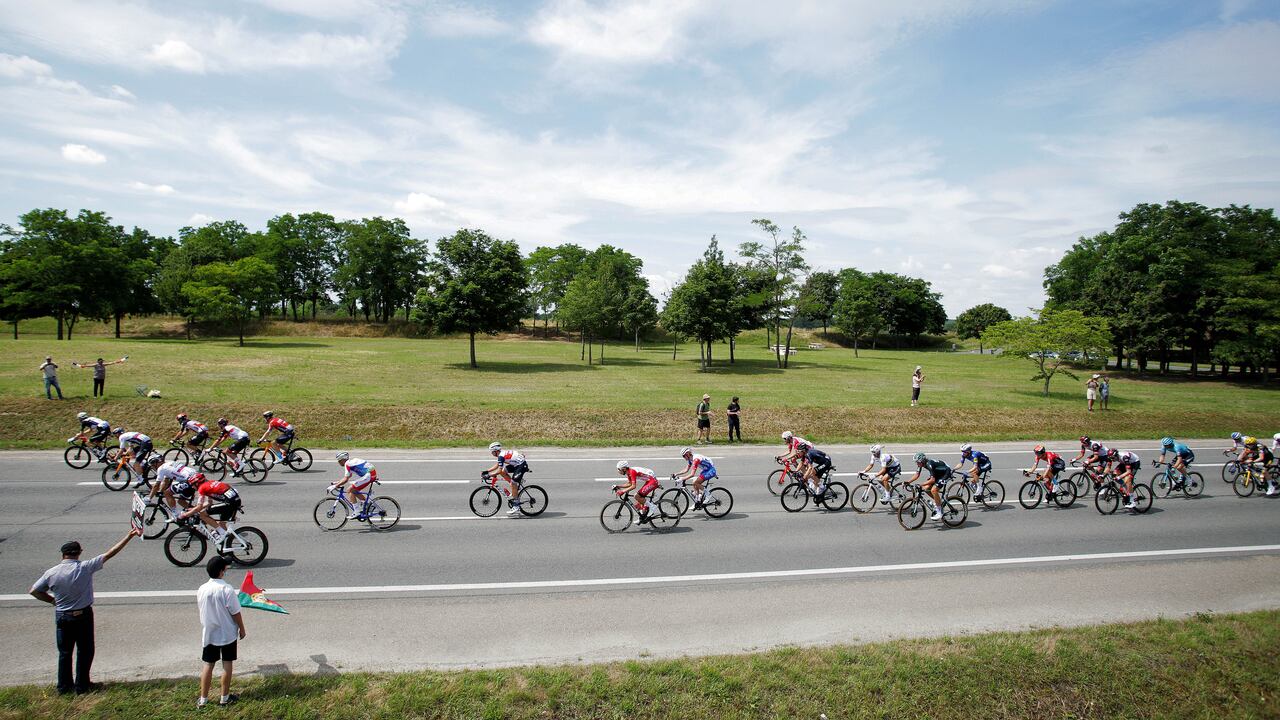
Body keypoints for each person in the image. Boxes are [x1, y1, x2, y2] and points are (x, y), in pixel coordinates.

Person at [28, 528, 142, 694]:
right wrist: (129, 536)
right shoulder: (85, 568)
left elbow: (34, 591)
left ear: (63, 554)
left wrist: (53, 601)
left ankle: (64, 687)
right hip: (83, 615)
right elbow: (110, 553)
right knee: (85, 650)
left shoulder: (51, 573)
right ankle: (82, 686)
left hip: (62, 615)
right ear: (79, 553)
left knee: (65, 653)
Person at [197, 556, 245, 708]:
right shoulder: (226, 589)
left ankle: (203, 699)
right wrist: (242, 629)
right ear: (221, 571)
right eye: (225, 567)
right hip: (227, 633)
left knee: (208, 664)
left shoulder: (202, 589)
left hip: (210, 633)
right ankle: (224, 698)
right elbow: (235, 612)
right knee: (227, 663)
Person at [484, 442, 530, 515]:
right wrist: (487, 471)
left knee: (513, 483)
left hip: (521, 465)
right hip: (516, 464)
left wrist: (489, 475)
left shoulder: (501, 456)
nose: (492, 454)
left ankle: (516, 506)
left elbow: (498, 470)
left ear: (496, 451)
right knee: (503, 472)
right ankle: (515, 487)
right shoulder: (501, 454)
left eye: (492, 452)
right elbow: (498, 465)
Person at [331, 451, 377, 519]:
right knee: (354, 490)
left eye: (339, 461)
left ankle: (356, 512)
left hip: (369, 475)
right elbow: (348, 476)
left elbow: (346, 479)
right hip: (371, 473)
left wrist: (335, 486)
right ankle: (368, 505)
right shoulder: (350, 462)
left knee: (350, 490)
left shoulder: (347, 464)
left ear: (342, 460)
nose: (338, 463)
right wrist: (337, 483)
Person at [907, 452, 948, 520]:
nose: (917, 464)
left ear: (922, 461)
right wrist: (908, 482)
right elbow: (917, 475)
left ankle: (939, 512)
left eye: (918, 462)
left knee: (934, 490)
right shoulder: (921, 464)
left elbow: (932, 480)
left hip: (945, 473)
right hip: (938, 473)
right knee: (926, 489)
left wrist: (921, 484)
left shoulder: (929, 464)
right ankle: (938, 502)